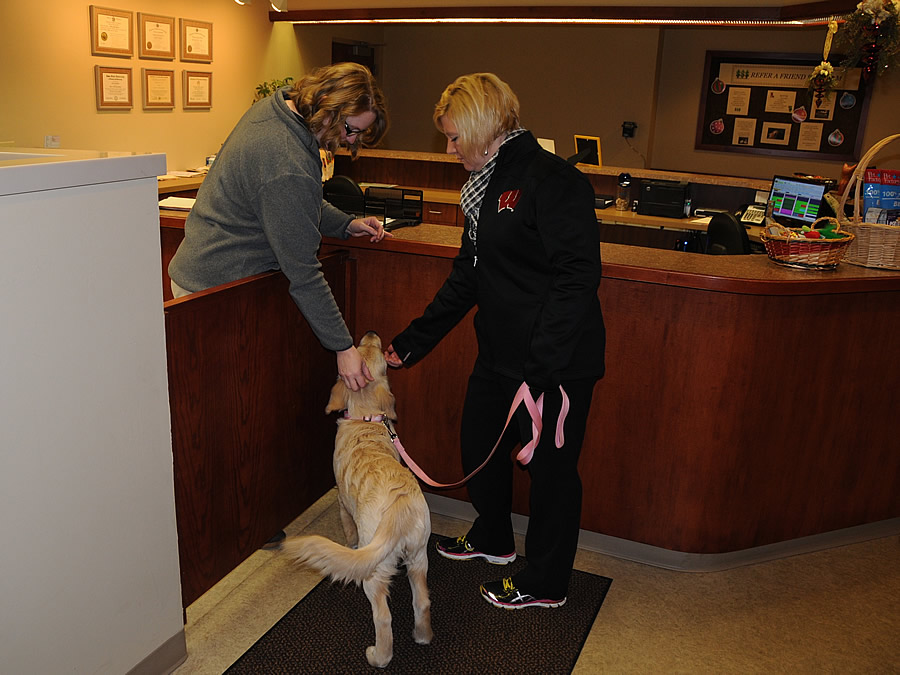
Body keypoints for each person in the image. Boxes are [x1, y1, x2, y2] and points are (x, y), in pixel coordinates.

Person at [385, 73, 605, 609]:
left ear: (484, 128)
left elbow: (578, 275)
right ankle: (494, 538)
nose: (448, 147)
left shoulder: (550, 180)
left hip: (553, 362)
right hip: (501, 353)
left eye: (455, 136)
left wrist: (544, 366)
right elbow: (469, 278)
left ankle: (547, 582)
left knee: (551, 475)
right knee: (478, 443)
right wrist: (409, 344)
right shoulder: (485, 184)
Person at [169, 62, 390, 393]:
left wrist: (346, 224)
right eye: (350, 127)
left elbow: (296, 204)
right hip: (213, 292)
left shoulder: (279, 108)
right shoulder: (287, 158)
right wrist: (343, 348)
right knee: (227, 404)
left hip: (204, 274)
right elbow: (302, 271)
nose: (349, 139)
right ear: (328, 105)